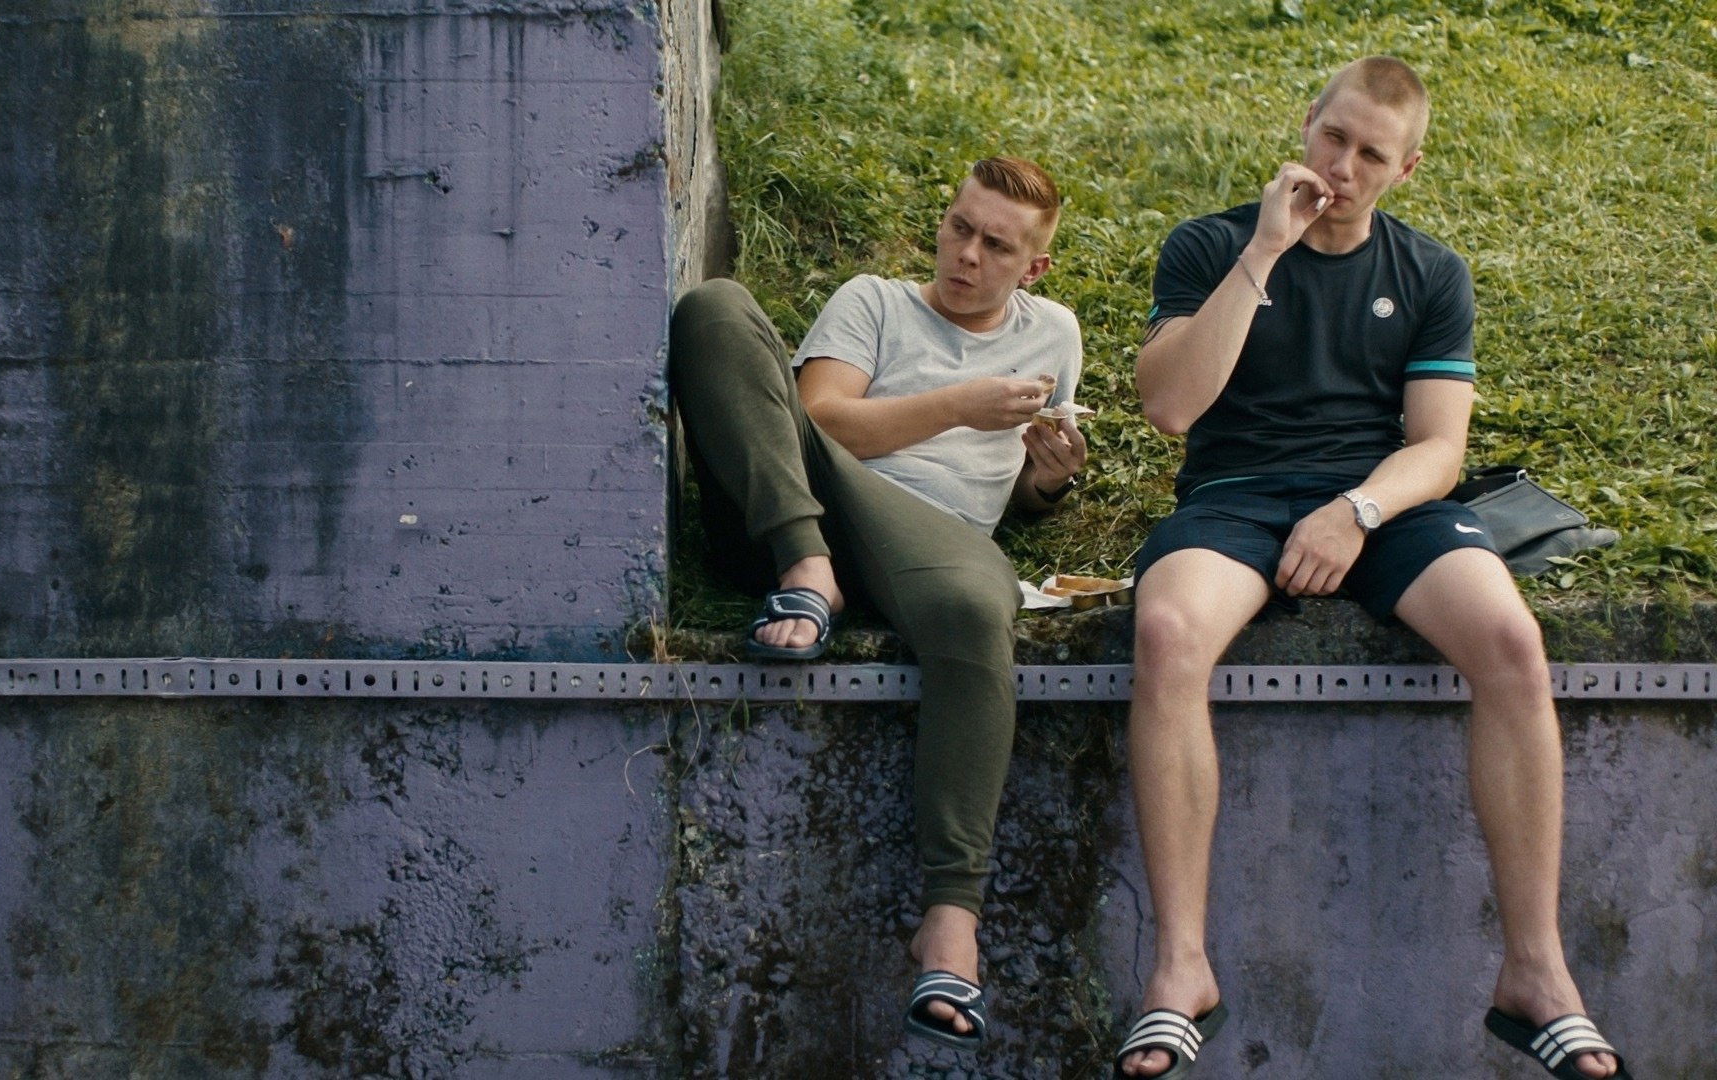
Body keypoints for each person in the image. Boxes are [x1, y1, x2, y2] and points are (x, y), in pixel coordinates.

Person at [1116, 58, 1630, 1079]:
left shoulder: (1430, 273)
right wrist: (1266, 250)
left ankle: (1536, 974)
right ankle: (1180, 970)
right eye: (1332, 138)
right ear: (1306, 124)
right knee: (1168, 633)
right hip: (1236, 496)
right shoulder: (1211, 244)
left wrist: (1355, 512)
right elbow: (1169, 407)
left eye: (1371, 154)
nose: (1342, 167)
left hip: (1382, 500)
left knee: (1511, 641)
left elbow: (1438, 447)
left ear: (1408, 168)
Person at [667, 156, 1088, 1050]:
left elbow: (1010, 487)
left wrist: (1047, 483)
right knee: (716, 310)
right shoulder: (875, 302)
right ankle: (807, 565)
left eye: (996, 245)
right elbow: (816, 420)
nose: (966, 254)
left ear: (1035, 267)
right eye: (959, 227)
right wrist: (959, 405)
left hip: (932, 542)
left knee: (975, 610)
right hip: (806, 502)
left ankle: (951, 920)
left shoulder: (1055, 333)